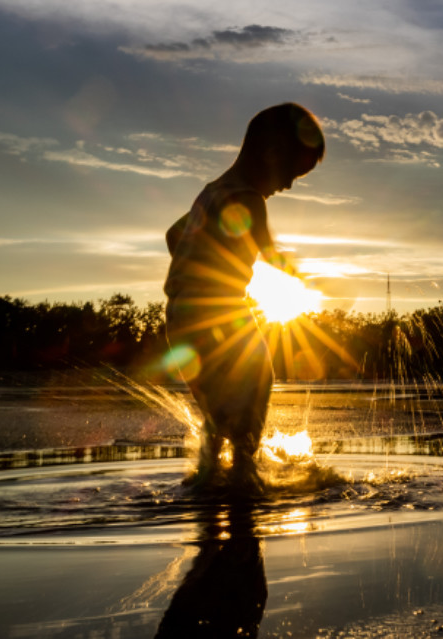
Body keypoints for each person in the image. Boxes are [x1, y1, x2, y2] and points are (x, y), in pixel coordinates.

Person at [164, 103, 325, 495]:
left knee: (218, 412)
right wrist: (312, 281)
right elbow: (269, 254)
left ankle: (209, 480)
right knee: (254, 387)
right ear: (271, 156)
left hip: (181, 317)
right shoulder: (250, 198)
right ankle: (242, 482)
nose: (287, 186)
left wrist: (198, 265)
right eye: (291, 174)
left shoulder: (210, 192)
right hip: (219, 315)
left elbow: (173, 234)